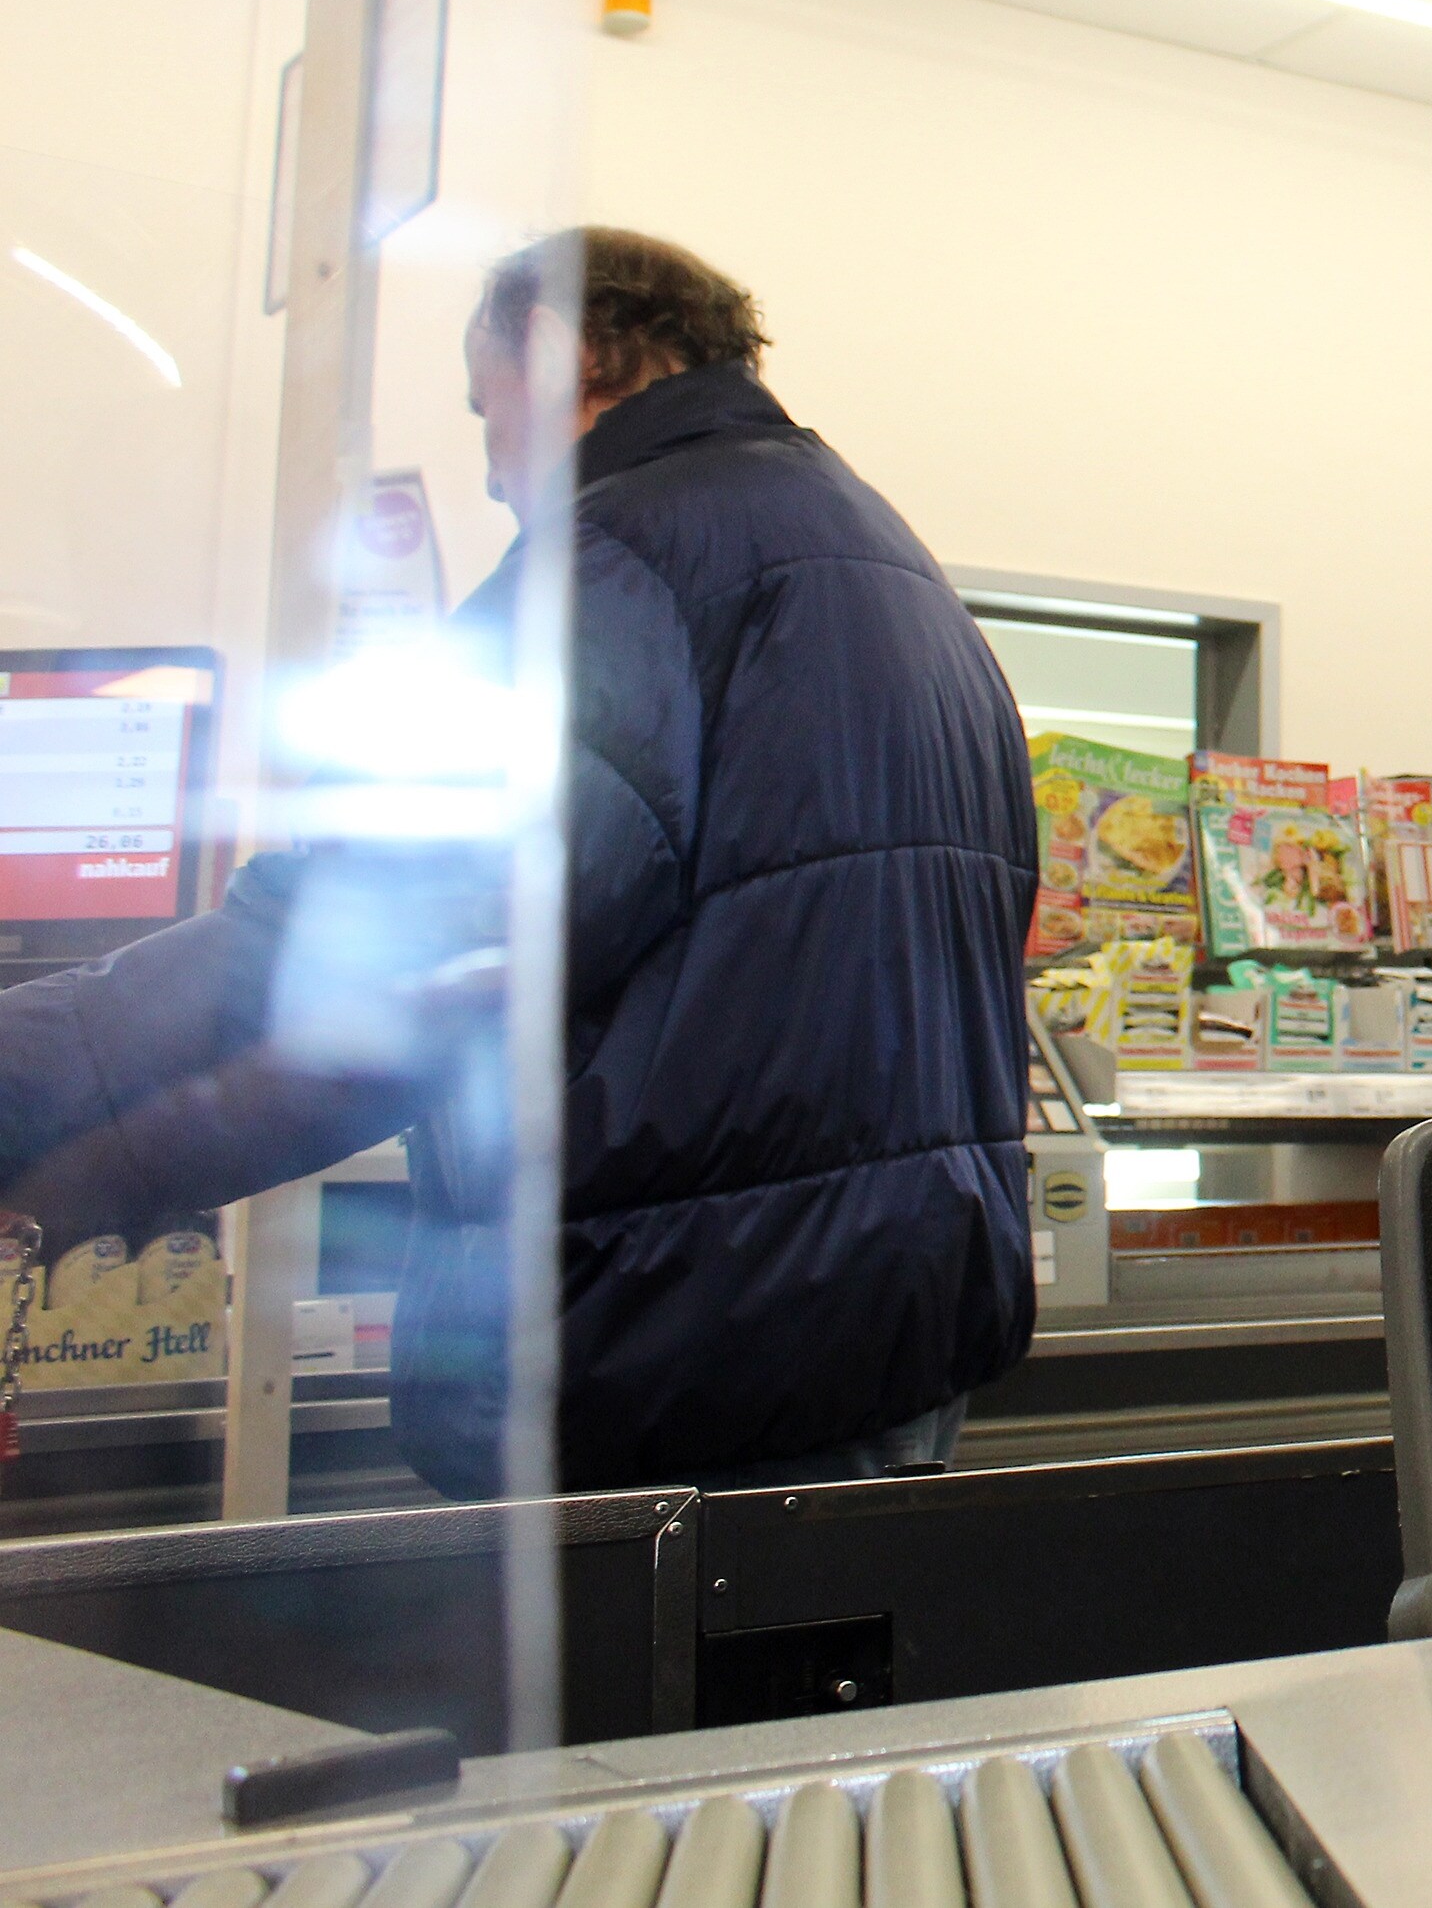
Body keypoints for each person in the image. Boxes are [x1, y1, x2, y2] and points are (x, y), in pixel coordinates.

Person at [0, 231, 1040, 1494]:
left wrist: (40, 1108)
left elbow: (387, 934)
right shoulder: (893, 569)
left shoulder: (616, 562)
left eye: (488, 413)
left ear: (558, 355)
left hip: (674, 1357)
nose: (494, 476)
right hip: (882, 1335)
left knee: (642, 1695)